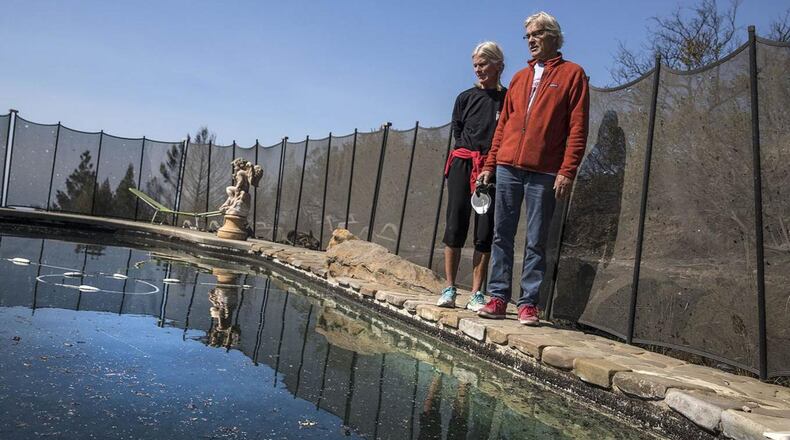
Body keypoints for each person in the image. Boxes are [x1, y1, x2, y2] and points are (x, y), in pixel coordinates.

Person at [476, 12, 589, 325]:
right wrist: (490, 164)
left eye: (537, 34)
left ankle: (528, 304)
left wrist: (568, 170)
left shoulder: (573, 74)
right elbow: (504, 126)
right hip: (508, 167)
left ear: (553, 35)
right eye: (527, 36)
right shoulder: (518, 78)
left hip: (545, 171)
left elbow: (578, 128)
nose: (531, 41)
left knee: (536, 238)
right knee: (502, 235)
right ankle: (498, 297)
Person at [436, 42, 507, 311]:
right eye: (475, 65)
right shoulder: (464, 97)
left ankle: (477, 293)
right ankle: (449, 288)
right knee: (454, 225)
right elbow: (458, 130)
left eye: (483, 64)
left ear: (498, 65)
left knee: (484, 230)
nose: (478, 69)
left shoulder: (507, 99)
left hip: (491, 169)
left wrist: (489, 163)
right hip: (462, 164)